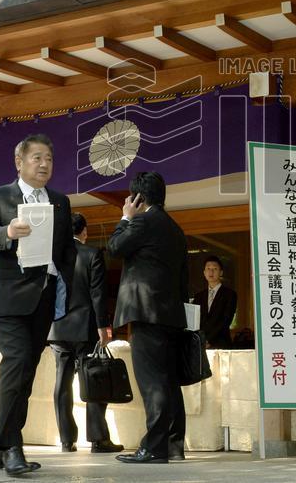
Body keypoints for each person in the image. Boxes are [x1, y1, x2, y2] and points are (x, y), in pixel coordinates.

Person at [0, 134, 76, 476]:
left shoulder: (61, 201)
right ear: (20, 162)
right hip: (10, 300)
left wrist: (69, 291)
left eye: (49, 159)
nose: (44, 165)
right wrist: (7, 233)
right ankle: (12, 447)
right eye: (37, 158)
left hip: (44, 299)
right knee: (15, 369)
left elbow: (67, 253)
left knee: (25, 376)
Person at [108, 171, 189, 464]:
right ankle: (174, 445)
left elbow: (114, 247)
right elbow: (184, 280)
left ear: (138, 198)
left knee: (153, 382)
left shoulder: (142, 221)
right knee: (168, 381)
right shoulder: (176, 230)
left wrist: (126, 216)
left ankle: (154, 448)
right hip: (172, 315)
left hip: (145, 311)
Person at [47, 212, 123, 454]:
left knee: (62, 382)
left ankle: (66, 439)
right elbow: (98, 295)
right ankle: (98, 439)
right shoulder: (92, 254)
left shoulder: (54, 257)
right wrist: (103, 327)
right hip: (84, 328)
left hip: (57, 328)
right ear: (84, 232)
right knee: (93, 380)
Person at [192, 255, 237, 349]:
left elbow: (226, 321)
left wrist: (208, 340)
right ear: (204, 272)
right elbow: (195, 321)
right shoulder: (198, 296)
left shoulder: (230, 294)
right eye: (208, 268)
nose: (211, 272)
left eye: (215, 269)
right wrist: (201, 340)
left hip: (221, 344)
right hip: (201, 344)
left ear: (221, 272)